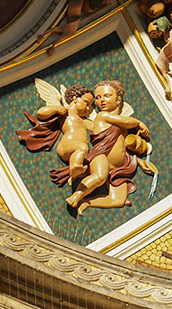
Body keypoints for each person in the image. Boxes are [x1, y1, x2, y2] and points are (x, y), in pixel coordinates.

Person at [65, 80, 153, 215]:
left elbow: (123, 147)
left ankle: (87, 202)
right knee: (99, 177)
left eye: (106, 96)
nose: (101, 101)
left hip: (120, 168)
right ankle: (77, 195)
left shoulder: (120, 125)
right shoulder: (102, 116)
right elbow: (128, 121)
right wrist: (140, 123)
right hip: (101, 157)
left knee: (117, 200)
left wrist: (140, 162)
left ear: (118, 100)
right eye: (98, 98)